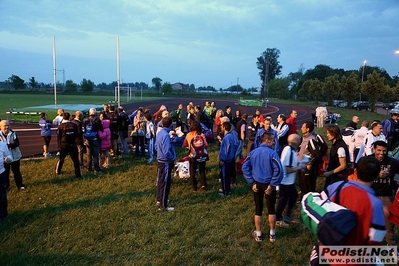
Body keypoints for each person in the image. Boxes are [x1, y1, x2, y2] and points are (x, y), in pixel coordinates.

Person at [309, 156, 386, 265]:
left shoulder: (336, 187)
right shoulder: (376, 204)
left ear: (355, 171)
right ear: (377, 175)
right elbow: (375, 239)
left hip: (326, 251)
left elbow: (319, 208)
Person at [242, 132, 283, 243]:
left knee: (258, 209)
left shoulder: (253, 153)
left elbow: (245, 167)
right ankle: (272, 234)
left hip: (257, 184)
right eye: (273, 140)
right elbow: (278, 170)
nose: (274, 142)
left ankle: (259, 234)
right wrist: (272, 184)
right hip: (268, 185)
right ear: (267, 141)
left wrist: (252, 182)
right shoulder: (273, 154)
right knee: (271, 210)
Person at [369, 141, 399, 246]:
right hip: (370, 195)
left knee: (389, 223)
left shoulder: (392, 162)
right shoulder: (368, 161)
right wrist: (377, 175)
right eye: (379, 150)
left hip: (386, 195)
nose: (382, 153)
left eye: (384, 151)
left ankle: (391, 246)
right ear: (374, 150)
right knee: (367, 221)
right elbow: (360, 177)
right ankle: (369, 245)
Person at [276, 134, 305, 227]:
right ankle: (278, 218)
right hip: (285, 181)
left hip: (289, 182)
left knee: (293, 197)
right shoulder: (290, 152)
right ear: (295, 142)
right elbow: (288, 169)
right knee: (283, 200)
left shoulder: (289, 149)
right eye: (298, 140)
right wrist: (300, 166)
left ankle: (287, 215)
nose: (300, 141)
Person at [155, 117, 176, 212]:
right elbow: (167, 151)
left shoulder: (159, 133)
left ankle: (159, 200)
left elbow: (156, 146)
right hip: (166, 162)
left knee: (160, 181)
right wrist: (172, 157)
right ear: (170, 125)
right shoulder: (166, 135)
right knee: (165, 183)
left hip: (160, 160)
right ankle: (163, 205)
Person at [298, 122, 322, 198]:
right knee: (302, 185)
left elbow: (317, 154)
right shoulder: (303, 138)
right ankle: (303, 200)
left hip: (307, 168)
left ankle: (310, 203)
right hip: (301, 166)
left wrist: (310, 164)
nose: (301, 128)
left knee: (308, 187)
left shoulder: (311, 140)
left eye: (303, 127)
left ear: (308, 129)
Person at [182, 121, 208, 192]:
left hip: (192, 156)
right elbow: (206, 145)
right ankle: (204, 185)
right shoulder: (202, 135)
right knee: (202, 170)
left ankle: (194, 187)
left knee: (192, 172)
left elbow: (184, 145)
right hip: (201, 155)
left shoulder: (188, 135)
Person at [0, 120, 26, 190]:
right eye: (5, 125)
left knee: (16, 172)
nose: (7, 127)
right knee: (6, 173)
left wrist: (6, 146)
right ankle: (6, 186)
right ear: (0, 127)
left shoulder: (13, 133)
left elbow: (17, 143)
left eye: (8, 125)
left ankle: (20, 185)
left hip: (15, 156)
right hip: (4, 158)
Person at [55, 112, 81, 178]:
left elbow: (58, 137)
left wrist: (59, 146)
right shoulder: (74, 125)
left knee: (61, 159)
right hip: (72, 144)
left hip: (63, 145)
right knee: (75, 160)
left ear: (63, 117)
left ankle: (58, 171)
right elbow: (76, 134)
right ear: (69, 117)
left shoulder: (60, 126)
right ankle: (78, 175)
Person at [323, 124, 349, 189]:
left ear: (334, 134)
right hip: (333, 175)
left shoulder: (340, 147)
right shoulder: (335, 143)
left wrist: (330, 173)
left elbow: (343, 166)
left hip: (338, 177)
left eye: (329, 133)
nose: (327, 135)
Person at [218, 122, 237, 196]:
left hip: (226, 160)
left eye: (222, 127)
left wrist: (222, 159)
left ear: (224, 128)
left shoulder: (226, 137)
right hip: (231, 158)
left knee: (225, 176)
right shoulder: (231, 136)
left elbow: (226, 150)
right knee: (228, 176)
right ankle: (227, 190)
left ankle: (225, 191)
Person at [84, 108, 103, 174]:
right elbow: (101, 129)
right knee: (95, 155)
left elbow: (84, 129)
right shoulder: (97, 120)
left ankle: (89, 168)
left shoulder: (85, 119)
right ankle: (96, 169)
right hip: (95, 138)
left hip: (87, 139)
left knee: (89, 154)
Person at [0, 141, 12, 222]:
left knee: (2, 195)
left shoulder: (3, 145)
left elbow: (9, 156)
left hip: (1, 173)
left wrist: (8, 159)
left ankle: (2, 214)